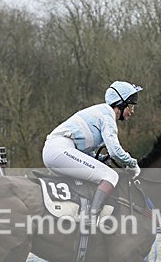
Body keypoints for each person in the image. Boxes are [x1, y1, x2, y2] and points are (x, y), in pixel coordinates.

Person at [42, 80, 143, 222]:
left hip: (56, 150)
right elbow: (115, 151)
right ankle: (91, 218)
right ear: (120, 104)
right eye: (130, 107)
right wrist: (132, 163)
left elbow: (83, 152)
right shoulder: (107, 116)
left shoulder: (100, 112)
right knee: (110, 176)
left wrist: (102, 159)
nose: (131, 112)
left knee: (96, 175)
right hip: (60, 149)